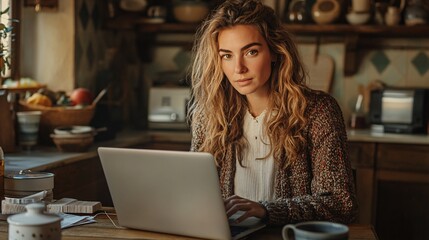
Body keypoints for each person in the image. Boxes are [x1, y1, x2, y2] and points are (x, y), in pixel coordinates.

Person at [188, 0, 358, 226]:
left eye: (251, 52)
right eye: (226, 55)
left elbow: (341, 203)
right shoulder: (209, 115)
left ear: (275, 52)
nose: (239, 68)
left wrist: (266, 211)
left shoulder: (318, 111)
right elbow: (195, 196)